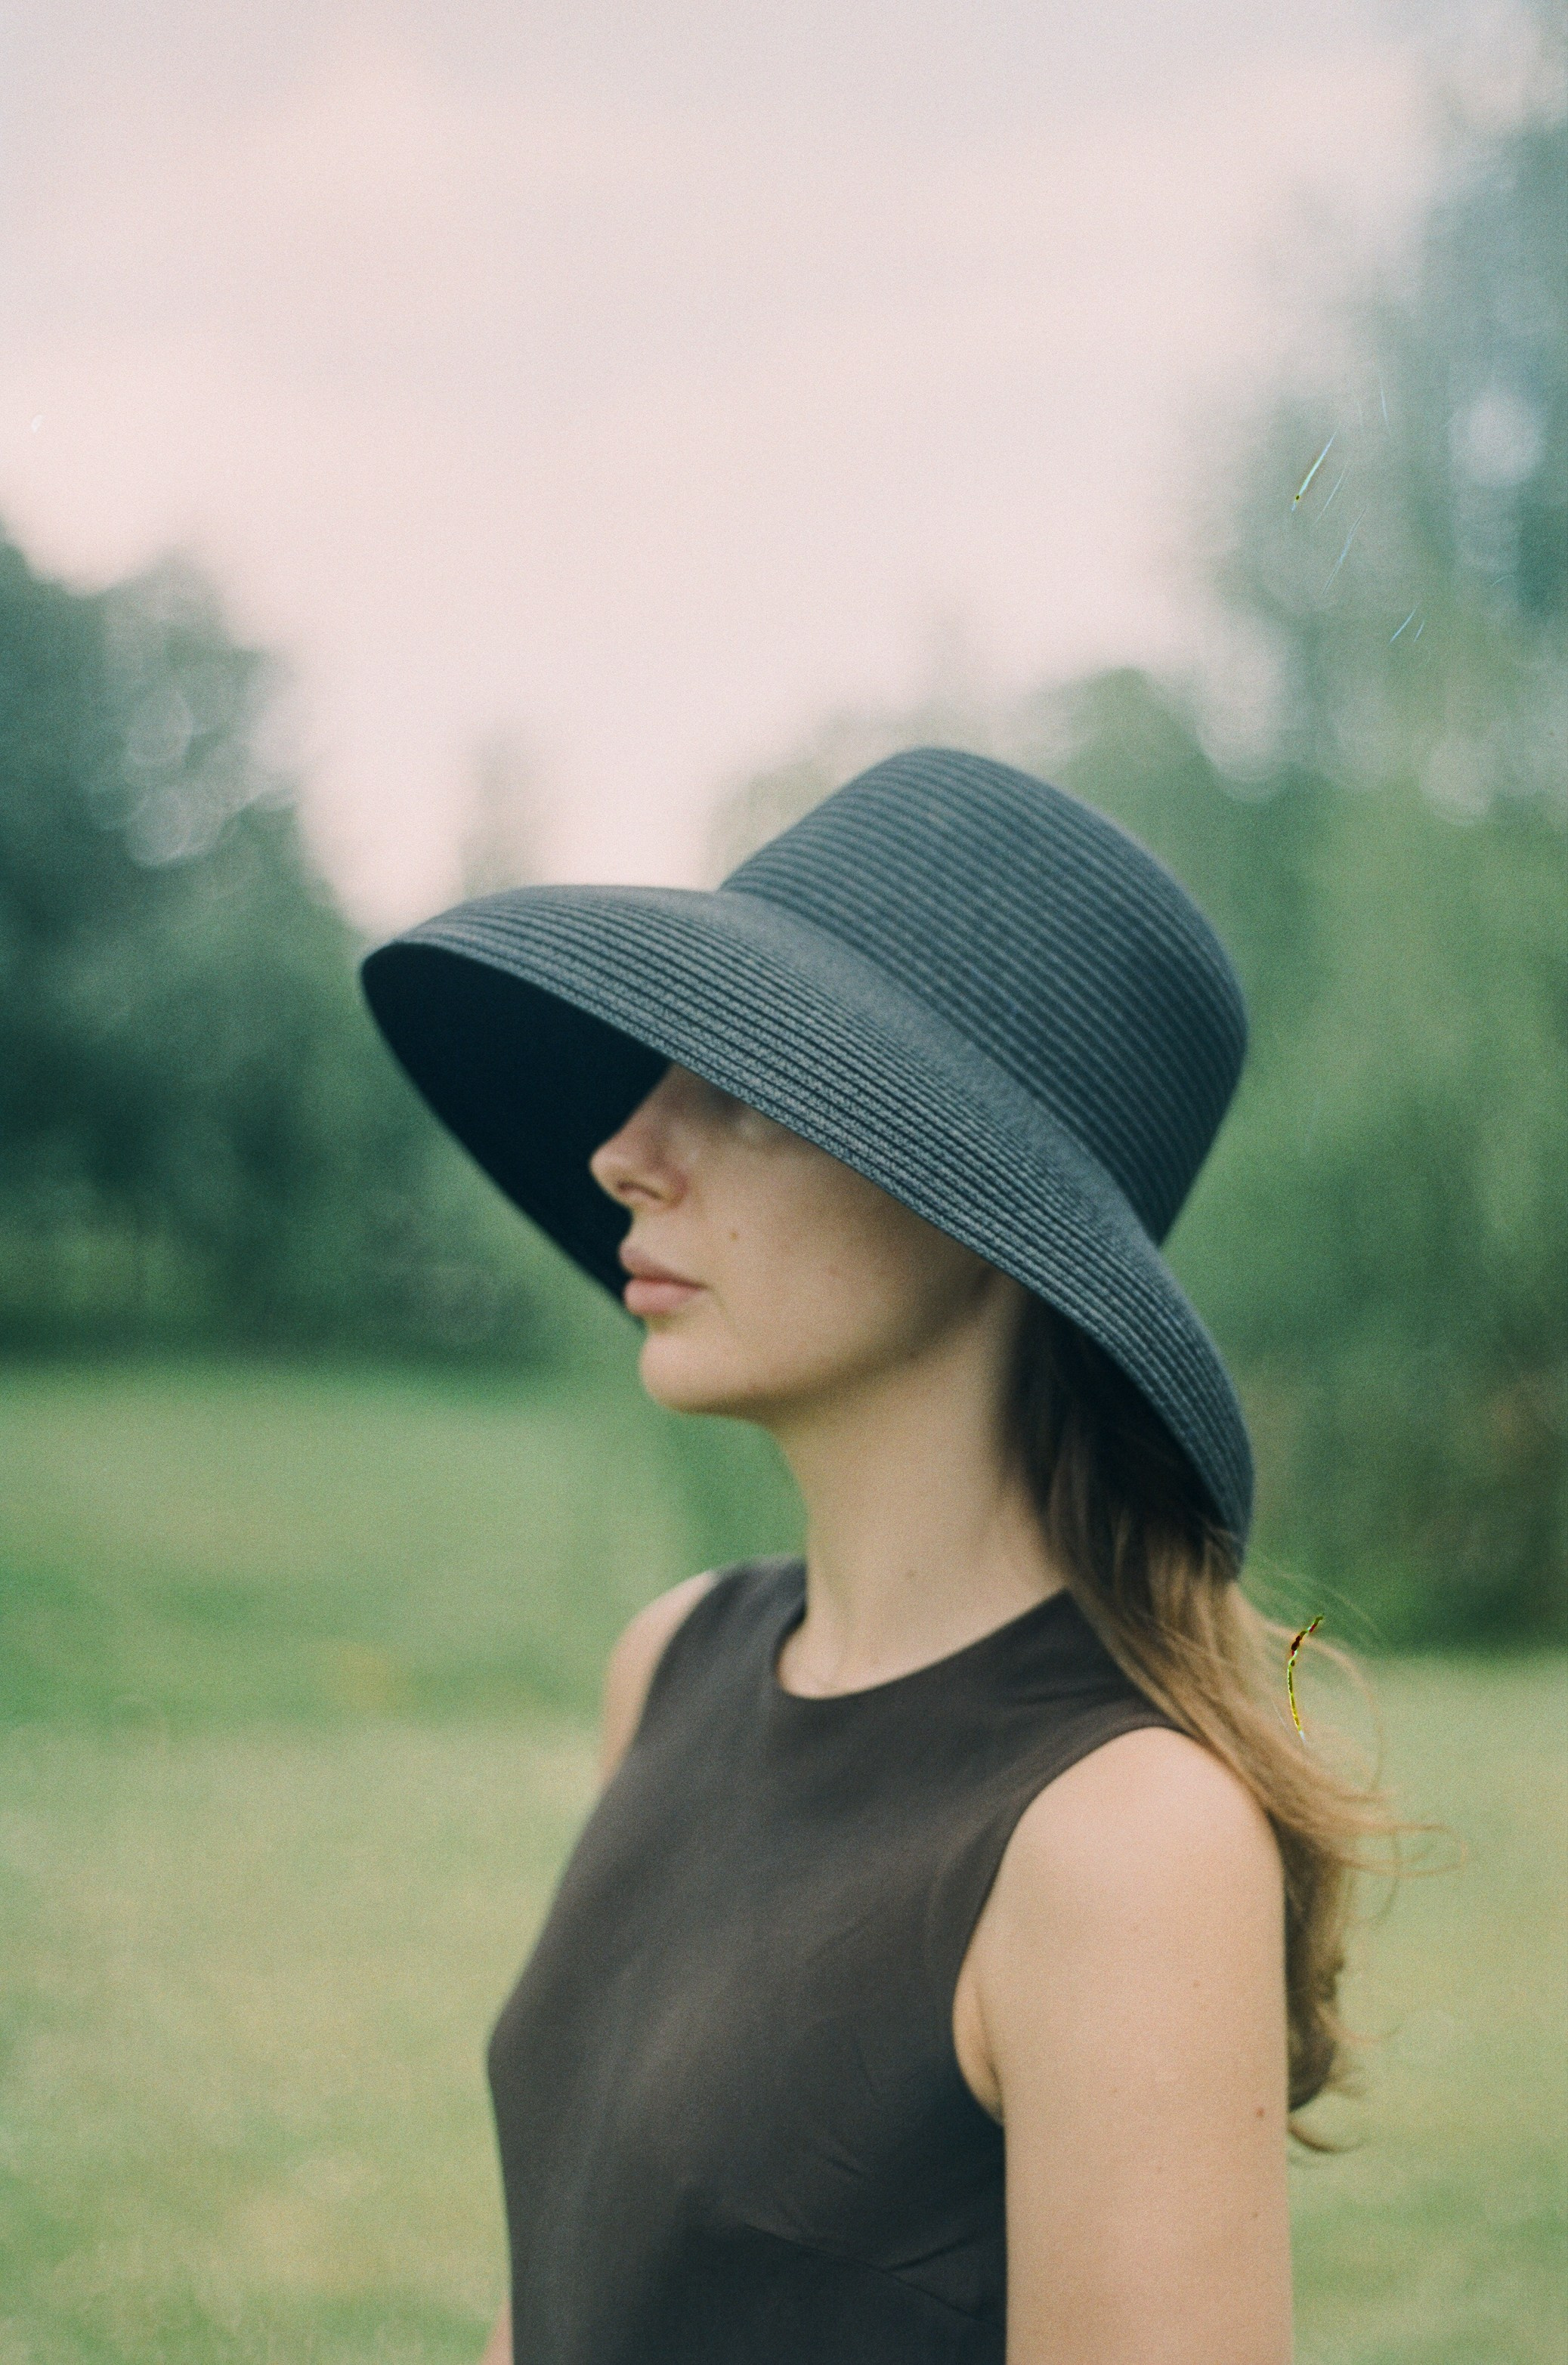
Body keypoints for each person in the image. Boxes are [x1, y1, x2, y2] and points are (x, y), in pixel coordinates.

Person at [360, 747, 1386, 2365]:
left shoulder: (1120, 1841)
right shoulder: (678, 1657)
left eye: (749, 1088)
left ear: (981, 1203)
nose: (626, 1147)